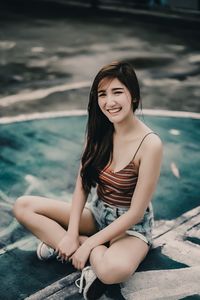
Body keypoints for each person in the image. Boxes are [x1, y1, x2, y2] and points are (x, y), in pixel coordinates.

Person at [13, 61, 163, 299]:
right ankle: (69, 243)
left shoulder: (150, 144)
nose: (109, 102)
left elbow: (135, 212)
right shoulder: (98, 130)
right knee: (23, 206)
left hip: (130, 227)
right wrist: (72, 234)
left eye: (117, 92)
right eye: (102, 94)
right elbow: (83, 184)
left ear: (133, 96)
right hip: (98, 212)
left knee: (113, 271)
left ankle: (67, 247)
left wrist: (87, 244)